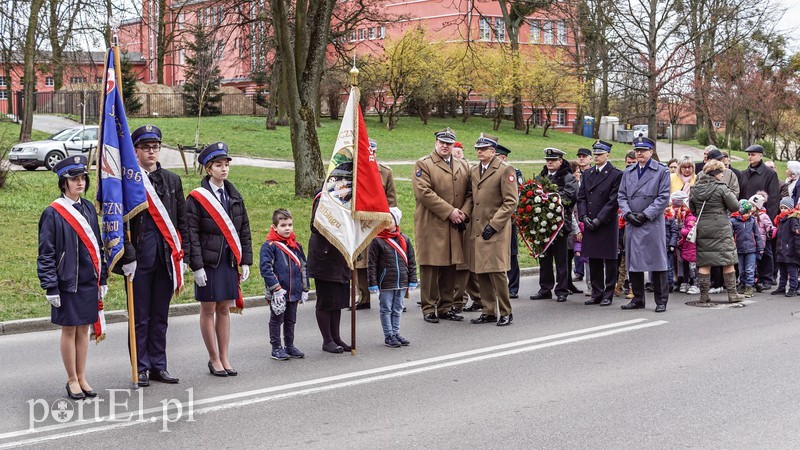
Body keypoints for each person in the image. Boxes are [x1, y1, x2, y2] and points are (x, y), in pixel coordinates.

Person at [118, 125, 186, 387]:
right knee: (140, 317)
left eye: (155, 147)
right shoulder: (128, 183)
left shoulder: (172, 181)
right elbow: (120, 222)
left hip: (166, 260)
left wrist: (183, 254)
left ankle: (159, 365)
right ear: (135, 151)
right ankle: (141, 366)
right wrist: (128, 255)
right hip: (139, 261)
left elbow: (181, 222)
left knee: (160, 316)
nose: (151, 152)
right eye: (145, 147)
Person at [38, 156, 107, 400]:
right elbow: (46, 253)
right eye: (74, 179)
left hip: (89, 280)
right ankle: (71, 379)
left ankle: (82, 375)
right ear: (63, 183)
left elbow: (98, 245)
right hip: (67, 282)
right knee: (70, 330)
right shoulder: (52, 213)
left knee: (83, 330)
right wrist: (50, 286)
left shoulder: (88, 207)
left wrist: (104, 278)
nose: (80, 183)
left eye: (82, 178)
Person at [186, 143, 253, 376]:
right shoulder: (196, 198)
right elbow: (191, 234)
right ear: (208, 169)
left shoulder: (234, 195)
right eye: (218, 165)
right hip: (208, 262)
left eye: (226, 165)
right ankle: (213, 358)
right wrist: (196, 266)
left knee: (224, 308)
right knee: (208, 308)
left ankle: (225, 357)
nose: (223, 169)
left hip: (228, 261)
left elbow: (244, 228)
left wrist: (245, 260)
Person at [411, 127, 472, 323]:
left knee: (450, 265)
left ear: (454, 144)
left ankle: (446, 306)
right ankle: (429, 307)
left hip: (455, 224)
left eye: (449, 143)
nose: (445, 146)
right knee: (430, 267)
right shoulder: (424, 164)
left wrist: (463, 212)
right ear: (436, 143)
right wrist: (450, 212)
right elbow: (424, 193)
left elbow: (471, 193)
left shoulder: (463, 165)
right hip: (432, 224)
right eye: (441, 142)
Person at [467, 134, 518, 325]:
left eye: (483, 149)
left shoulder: (505, 170)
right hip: (478, 228)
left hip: (496, 229)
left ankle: (506, 311)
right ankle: (488, 311)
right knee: (482, 271)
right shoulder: (474, 170)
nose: (479, 152)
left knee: (497, 272)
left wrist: (494, 225)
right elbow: (472, 197)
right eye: (477, 149)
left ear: (493, 151)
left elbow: (510, 202)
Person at [617, 137, 670, 312]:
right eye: (637, 150)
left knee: (658, 262)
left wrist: (646, 215)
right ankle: (638, 299)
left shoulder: (661, 171)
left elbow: (663, 197)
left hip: (651, 222)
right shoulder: (629, 171)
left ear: (651, 152)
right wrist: (628, 214)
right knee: (634, 262)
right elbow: (622, 195)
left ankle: (661, 300)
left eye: (643, 150)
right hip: (633, 222)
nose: (639, 153)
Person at [689, 160, 744, 303]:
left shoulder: (695, 189)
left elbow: (693, 210)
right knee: (728, 260)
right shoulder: (721, 188)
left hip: (703, 227)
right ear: (716, 173)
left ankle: (704, 296)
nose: (723, 175)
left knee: (704, 262)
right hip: (721, 227)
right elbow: (735, 206)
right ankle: (732, 294)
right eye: (721, 172)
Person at [577, 140, 622, 306]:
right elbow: (581, 197)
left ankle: (608, 293)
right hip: (590, 221)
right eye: (595, 154)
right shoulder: (588, 174)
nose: (596, 157)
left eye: (600, 154)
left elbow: (613, 200)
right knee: (594, 258)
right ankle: (597, 292)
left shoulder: (616, 174)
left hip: (606, 222)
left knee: (609, 260)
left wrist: (599, 219)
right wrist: (583, 217)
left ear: (607, 155)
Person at [353, 138, 397, 310]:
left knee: (382, 261)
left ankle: (389, 295)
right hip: (361, 223)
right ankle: (363, 297)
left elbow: (391, 200)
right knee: (360, 262)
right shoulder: (354, 171)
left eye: (372, 152)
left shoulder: (385, 172)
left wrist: (390, 220)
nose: (370, 155)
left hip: (380, 224)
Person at [530, 147, 578, 303]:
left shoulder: (568, 177)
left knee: (561, 260)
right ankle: (545, 288)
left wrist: (549, 197)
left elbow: (570, 196)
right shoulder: (540, 177)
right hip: (542, 225)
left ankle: (562, 290)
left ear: (560, 161)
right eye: (547, 160)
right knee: (544, 258)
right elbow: (531, 194)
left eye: (553, 160)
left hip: (560, 225)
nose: (549, 162)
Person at [260, 209, 309, 361]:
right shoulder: (269, 246)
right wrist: (276, 288)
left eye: (290, 224)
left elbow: (303, 267)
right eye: (283, 225)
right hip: (278, 292)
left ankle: (290, 345)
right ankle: (276, 348)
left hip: (294, 291)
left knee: (290, 319)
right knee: (276, 320)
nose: (287, 228)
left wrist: (305, 288)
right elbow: (265, 268)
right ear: (274, 227)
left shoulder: (296, 245)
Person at [308, 190, 353, 353]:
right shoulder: (324, 198)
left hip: (341, 257)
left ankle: (336, 337)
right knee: (326, 301)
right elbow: (315, 225)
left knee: (337, 301)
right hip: (325, 258)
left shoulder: (348, 200)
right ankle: (327, 340)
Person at [368, 207, 417, 347]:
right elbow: (372, 264)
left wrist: (412, 279)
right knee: (386, 309)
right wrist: (373, 283)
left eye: (389, 221)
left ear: (396, 222)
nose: (386, 223)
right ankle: (388, 335)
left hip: (401, 280)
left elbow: (411, 261)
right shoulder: (377, 241)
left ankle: (396, 333)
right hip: (386, 281)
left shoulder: (404, 239)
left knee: (398, 308)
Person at [495, 143, 524, 298]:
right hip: (493, 217)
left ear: (503, 158)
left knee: (511, 253)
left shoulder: (513, 171)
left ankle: (513, 287)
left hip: (509, 218)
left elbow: (517, 194)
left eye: (497, 157)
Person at [730, 200, 764, 297]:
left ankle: (749, 286)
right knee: (741, 269)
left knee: (750, 269)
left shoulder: (752, 221)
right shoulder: (733, 221)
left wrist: (760, 247)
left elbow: (757, 235)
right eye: (747, 212)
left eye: (750, 212)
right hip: (739, 249)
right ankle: (742, 284)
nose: (749, 214)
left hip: (751, 249)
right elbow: (731, 235)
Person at [740, 144, 780, 219]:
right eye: (749, 154)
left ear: (760, 156)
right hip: (745, 217)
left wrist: (768, 220)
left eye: (753, 154)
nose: (750, 157)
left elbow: (773, 199)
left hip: (761, 217)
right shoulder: (743, 174)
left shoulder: (770, 174)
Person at [772, 198, 800, 296]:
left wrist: (797, 248)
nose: (783, 210)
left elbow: (797, 234)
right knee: (782, 270)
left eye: (785, 208)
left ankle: (793, 288)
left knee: (792, 271)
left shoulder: (792, 220)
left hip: (790, 250)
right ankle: (781, 287)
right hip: (781, 249)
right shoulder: (781, 220)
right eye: (782, 208)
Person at [749, 192, 776, 290]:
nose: (750, 207)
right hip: (754, 242)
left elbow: (770, 226)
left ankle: (767, 279)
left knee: (767, 259)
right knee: (757, 261)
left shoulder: (763, 216)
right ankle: (758, 279)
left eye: (752, 206)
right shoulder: (749, 216)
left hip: (764, 241)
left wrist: (770, 231)